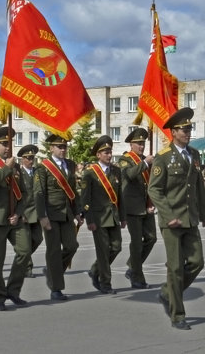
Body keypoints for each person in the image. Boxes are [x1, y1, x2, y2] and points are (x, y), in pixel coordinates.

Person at [147, 107, 205, 330]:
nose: (187, 132)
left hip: (190, 218)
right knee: (174, 267)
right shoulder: (164, 157)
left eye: (189, 128)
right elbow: (154, 190)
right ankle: (178, 314)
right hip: (171, 220)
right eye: (183, 129)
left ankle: (167, 293)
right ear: (173, 132)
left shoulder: (194, 154)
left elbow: (198, 186)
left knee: (197, 262)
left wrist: (204, 213)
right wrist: (168, 215)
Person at [0, 127, 32, 310]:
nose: (7, 147)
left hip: (14, 219)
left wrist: (18, 213)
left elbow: (24, 194)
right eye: (3, 144)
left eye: (9, 144)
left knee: (25, 251)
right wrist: (6, 167)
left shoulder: (15, 166)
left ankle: (13, 290)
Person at [35, 133, 80, 301]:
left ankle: (53, 272)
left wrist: (77, 211)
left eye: (65, 146)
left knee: (72, 246)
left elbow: (73, 191)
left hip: (67, 213)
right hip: (51, 214)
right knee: (54, 251)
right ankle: (56, 288)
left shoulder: (70, 164)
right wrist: (42, 216)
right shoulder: (43, 167)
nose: (63, 149)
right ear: (51, 148)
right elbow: (39, 193)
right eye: (59, 147)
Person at [82, 135, 124, 294]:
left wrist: (123, 217)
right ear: (98, 155)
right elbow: (86, 199)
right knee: (103, 251)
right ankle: (105, 283)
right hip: (98, 218)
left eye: (109, 151)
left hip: (113, 217)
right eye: (105, 152)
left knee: (117, 247)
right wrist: (89, 220)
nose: (108, 154)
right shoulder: (90, 173)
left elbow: (120, 196)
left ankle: (95, 270)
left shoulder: (116, 171)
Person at [117, 127, 156, 290]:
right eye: (138, 143)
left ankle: (133, 265)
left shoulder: (145, 161)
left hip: (146, 206)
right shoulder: (125, 159)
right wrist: (146, 162)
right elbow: (129, 174)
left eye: (143, 143)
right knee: (137, 243)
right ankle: (137, 277)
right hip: (132, 208)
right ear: (131, 144)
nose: (141, 146)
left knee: (151, 238)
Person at [14, 144, 42, 291]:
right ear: (22, 159)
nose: (31, 160)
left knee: (38, 239)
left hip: (37, 212)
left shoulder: (37, 172)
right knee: (25, 240)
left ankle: (22, 259)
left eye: (32, 158)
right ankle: (27, 267)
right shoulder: (17, 173)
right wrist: (20, 213)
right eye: (28, 158)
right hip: (24, 212)